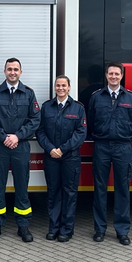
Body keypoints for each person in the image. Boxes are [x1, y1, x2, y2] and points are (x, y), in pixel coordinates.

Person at [0, 58, 41, 242]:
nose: (12, 72)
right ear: (4, 71)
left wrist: (17, 136)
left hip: (21, 145)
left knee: (22, 186)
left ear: (21, 72)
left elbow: (35, 119)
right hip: (0, 146)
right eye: (9, 69)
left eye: (16, 69)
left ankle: (23, 226)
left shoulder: (29, 94)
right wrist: (3, 137)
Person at [87, 62, 132, 245]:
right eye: (110, 74)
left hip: (122, 147)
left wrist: (125, 138)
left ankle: (122, 230)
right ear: (106, 75)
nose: (113, 77)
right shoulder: (97, 97)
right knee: (100, 189)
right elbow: (91, 121)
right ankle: (100, 229)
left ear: (122, 75)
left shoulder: (131, 98)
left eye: (117, 74)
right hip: (101, 146)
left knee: (122, 189)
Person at [36, 76, 87, 242]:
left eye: (63, 85)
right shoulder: (46, 107)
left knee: (69, 193)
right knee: (53, 192)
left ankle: (66, 229)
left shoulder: (78, 108)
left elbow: (81, 133)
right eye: (58, 85)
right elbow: (40, 131)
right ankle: (54, 228)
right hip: (51, 157)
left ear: (69, 87)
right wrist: (51, 149)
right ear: (55, 87)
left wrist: (62, 149)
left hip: (70, 157)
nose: (60, 88)